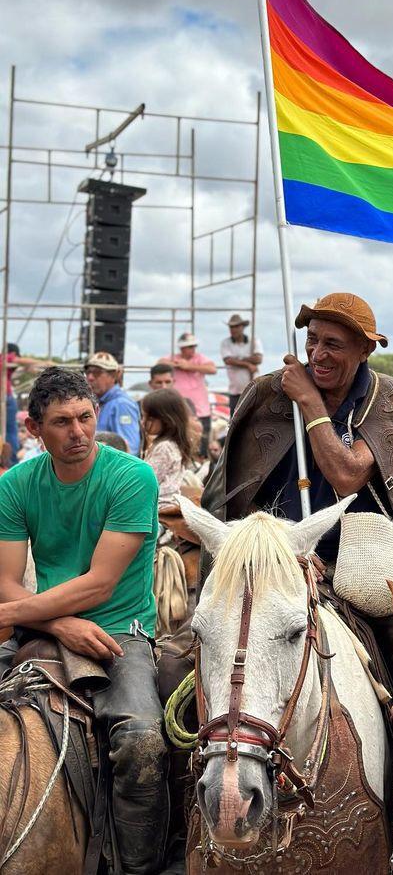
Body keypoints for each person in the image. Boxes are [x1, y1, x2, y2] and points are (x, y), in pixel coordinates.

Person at [202, 292, 393, 684]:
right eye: (312, 340)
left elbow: (346, 475)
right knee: (186, 663)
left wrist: (310, 403)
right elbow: (236, 495)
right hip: (275, 561)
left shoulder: (392, 401)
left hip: (366, 566)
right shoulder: (266, 394)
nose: (317, 354)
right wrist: (285, 549)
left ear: (365, 350)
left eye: (333, 344)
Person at [0, 367, 167, 873]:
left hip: (120, 632)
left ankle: (139, 866)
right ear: (34, 428)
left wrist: (11, 615)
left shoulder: (132, 477)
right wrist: (56, 625)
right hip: (44, 624)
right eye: (61, 422)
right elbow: (5, 579)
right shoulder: (16, 484)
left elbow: (100, 584)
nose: (78, 432)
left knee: (142, 739)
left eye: (85, 417)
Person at [157, 333, 216, 456]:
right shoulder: (174, 358)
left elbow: (212, 369)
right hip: (182, 411)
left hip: (201, 411)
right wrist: (176, 364)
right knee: (181, 446)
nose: (193, 349)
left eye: (194, 346)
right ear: (182, 348)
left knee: (201, 448)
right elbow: (160, 363)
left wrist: (189, 366)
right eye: (190, 347)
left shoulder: (199, 358)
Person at [141, 389, 194, 510]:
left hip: (159, 506)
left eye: (149, 418)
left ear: (167, 420)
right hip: (167, 504)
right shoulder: (173, 444)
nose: (143, 422)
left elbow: (146, 482)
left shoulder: (164, 448)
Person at [84, 351, 141, 456]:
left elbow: (129, 450)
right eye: (88, 372)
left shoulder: (122, 404)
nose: (90, 377)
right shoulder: (100, 401)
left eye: (97, 372)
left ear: (113, 376)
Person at [220, 313, 263, 415]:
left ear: (242, 327)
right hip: (235, 392)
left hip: (253, 390)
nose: (233, 329)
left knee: (254, 419)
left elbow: (258, 359)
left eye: (236, 326)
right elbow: (228, 360)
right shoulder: (226, 343)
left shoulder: (254, 340)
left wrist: (238, 360)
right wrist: (248, 364)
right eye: (231, 327)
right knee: (235, 420)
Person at [3, 344, 40, 458]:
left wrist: (26, 369)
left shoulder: (3, 364)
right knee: (11, 431)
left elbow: (15, 373)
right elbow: (19, 361)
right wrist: (43, 362)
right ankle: (11, 459)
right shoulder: (7, 357)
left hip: (4, 397)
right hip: (5, 397)